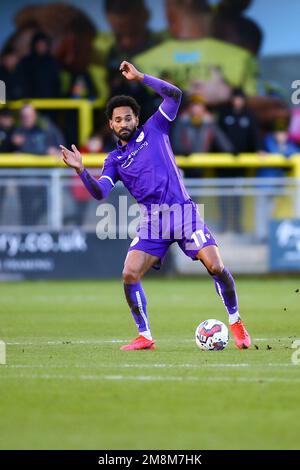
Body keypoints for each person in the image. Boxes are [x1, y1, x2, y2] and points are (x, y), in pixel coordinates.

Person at [60, 61, 251, 351]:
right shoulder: (113, 160)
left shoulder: (155, 128)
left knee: (216, 265)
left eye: (128, 118)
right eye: (118, 120)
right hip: (154, 222)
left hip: (184, 213)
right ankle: (145, 336)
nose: (123, 123)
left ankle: (236, 322)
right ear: (110, 124)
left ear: (136, 118)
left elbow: (175, 95)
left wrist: (140, 77)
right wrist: (81, 171)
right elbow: (100, 192)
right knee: (129, 273)